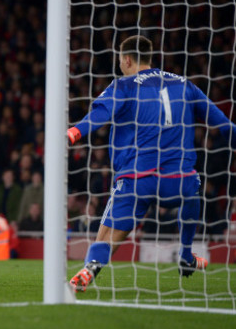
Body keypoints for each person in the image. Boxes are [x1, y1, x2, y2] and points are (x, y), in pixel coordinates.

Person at [67, 35, 236, 292]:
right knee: (193, 190)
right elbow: (224, 125)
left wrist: (73, 133)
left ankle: (91, 267)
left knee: (110, 232)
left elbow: (101, 114)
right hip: (178, 180)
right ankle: (186, 254)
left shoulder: (123, 84)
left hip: (138, 176)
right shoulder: (185, 84)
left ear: (126, 60)